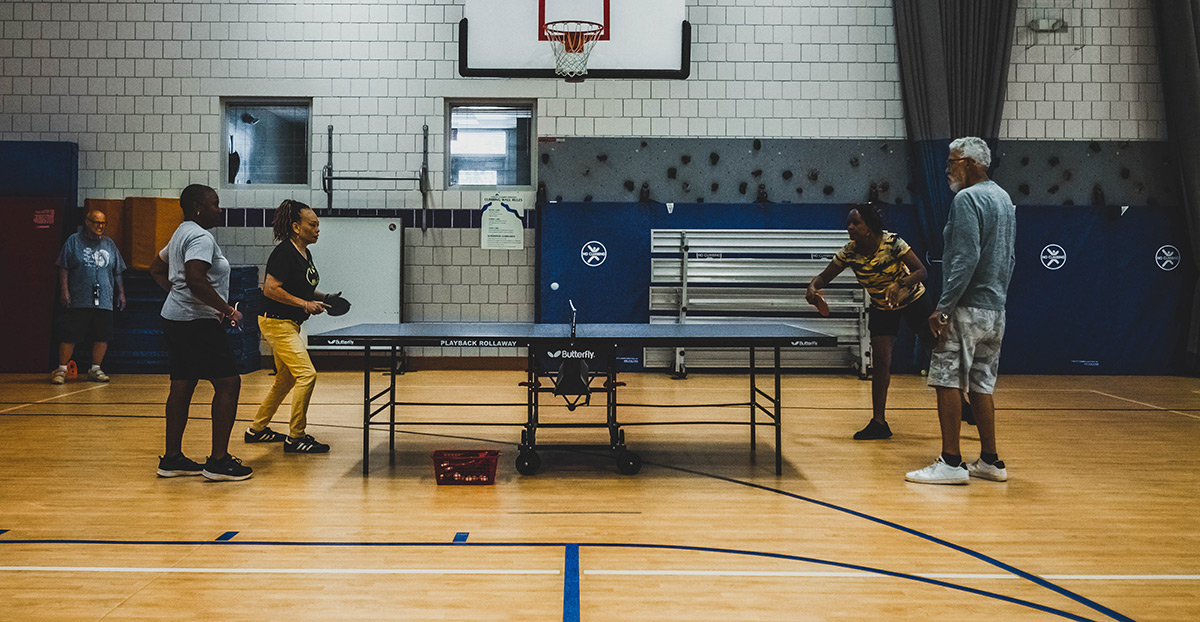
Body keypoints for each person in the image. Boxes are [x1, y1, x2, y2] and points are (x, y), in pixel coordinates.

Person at [905, 137, 1016, 485]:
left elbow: (965, 259)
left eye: (952, 162)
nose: (947, 170)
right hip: (994, 310)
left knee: (946, 379)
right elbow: (1009, 257)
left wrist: (943, 309)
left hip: (965, 308)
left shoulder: (967, 199)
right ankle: (990, 461)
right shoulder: (1004, 198)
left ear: (969, 163)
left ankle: (951, 462)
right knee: (982, 384)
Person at [148, 184, 252, 481]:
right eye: (215, 204)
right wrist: (228, 310)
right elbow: (195, 279)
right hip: (196, 323)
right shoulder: (201, 237)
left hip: (175, 319)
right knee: (229, 384)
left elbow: (156, 268)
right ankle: (218, 462)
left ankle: (172, 459)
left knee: (182, 384)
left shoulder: (182, 232)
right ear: (197, 206)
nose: (219, 209)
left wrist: (176, 294)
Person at [807, 203, 933, 440]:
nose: (850, 227)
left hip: (913, 298)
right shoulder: (849, 252)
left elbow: (921, 271)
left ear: (869, 227)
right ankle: (879, 423)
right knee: (881, 361)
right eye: (848, 223)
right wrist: (813, 287)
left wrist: (900, 284)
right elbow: (824, 277)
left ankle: (962, 404)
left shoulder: (893, 243)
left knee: (937, 351)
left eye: (856, 223)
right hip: (882, 305)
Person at [243, 199, 334, 454]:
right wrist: (305, 304)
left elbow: (300, 287)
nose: (317, 229)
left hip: (289, 323)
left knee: (285, 379)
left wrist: (324, 298)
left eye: (318, 225)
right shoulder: (284, 252)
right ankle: (296, 437)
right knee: (307, 375)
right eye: (312, 224)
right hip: (277, 322)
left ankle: (257, 429)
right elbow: (271, 289)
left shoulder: (304, 252)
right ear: (296, 226)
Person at [51, 209, 127, 384]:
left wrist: (121, 293)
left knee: (102, 335)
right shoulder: (73, 241)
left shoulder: (109, 244)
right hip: (79, 297)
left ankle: (95, 368)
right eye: (96, 222)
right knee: (69, 334)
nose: (100, 226)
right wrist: (64, 290)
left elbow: (117, 272)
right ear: (87, 222)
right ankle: (61, 369)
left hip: (104, 299)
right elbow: (63, 266)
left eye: (103, 223)